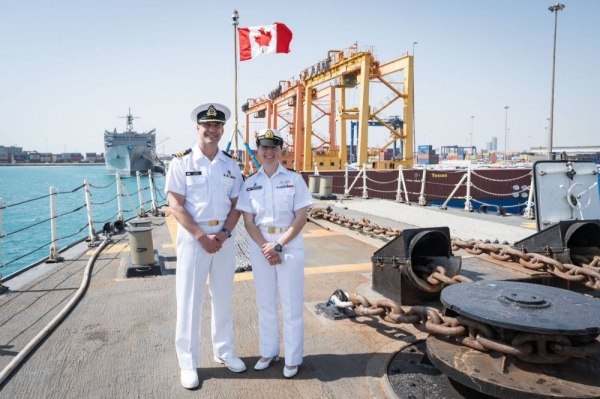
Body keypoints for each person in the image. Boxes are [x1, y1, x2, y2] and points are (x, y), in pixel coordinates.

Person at [165, 103, 245, 390]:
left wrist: (222, 234)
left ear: (222, 129)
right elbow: (175, 204)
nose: (212, 129)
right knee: (189, 301)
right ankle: (187, 362)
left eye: (217, 125)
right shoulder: (182, 162)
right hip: (193, 239)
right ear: (197, 128)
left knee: (223, 297)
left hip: (223, 239)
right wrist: (201, 236)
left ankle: (224, 351)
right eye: (207, 125)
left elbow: (237, 205)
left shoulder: (230, 164)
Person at [236, 128, 314, 378]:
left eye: (274, 148)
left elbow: (301, 217)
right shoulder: (250, 183)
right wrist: (266, 248)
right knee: (265, 302)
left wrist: (278, 245)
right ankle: (268, 351)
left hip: (288, 243)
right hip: (261, 245)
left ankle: (292, 358)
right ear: (257, 152)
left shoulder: (294, 179)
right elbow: (248, 222)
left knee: (291, 304)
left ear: (281, 151)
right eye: (264, 148)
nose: (268, 152)